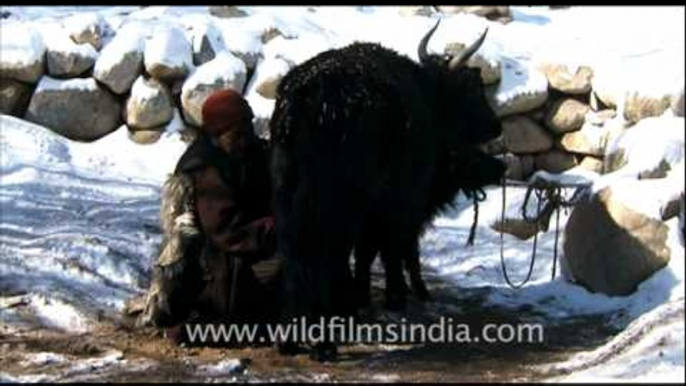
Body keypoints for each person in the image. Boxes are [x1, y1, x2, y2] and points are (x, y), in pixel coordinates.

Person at [128, 89, 279, 333]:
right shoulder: (206, 171)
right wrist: (279, 227)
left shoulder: (238, 153)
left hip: (241, 255)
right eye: (240, 132)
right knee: (292, 266)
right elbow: (229, 233)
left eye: (249, 128)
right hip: (217, 273)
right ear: (220, 133)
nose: (248, 137)